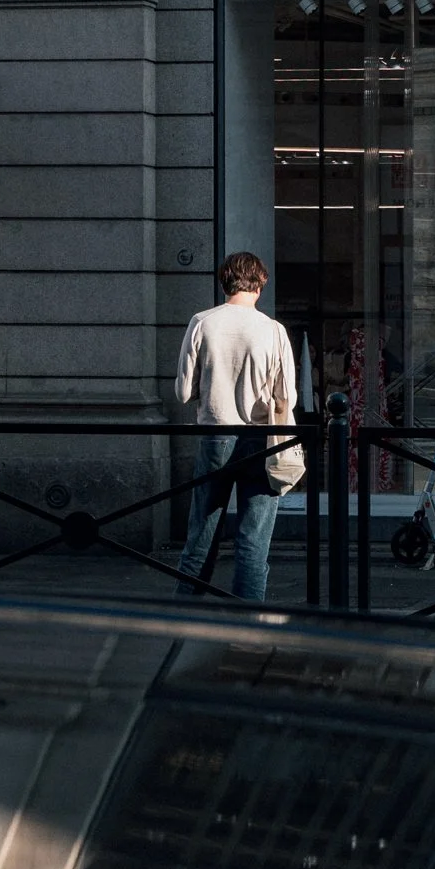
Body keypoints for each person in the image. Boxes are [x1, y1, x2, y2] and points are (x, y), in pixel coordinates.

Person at [173, 251, 297, 604]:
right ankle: (248, 628)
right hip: (262, 439)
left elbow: (182, 392)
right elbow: (286, 396)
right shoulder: (273, 331)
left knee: (201, 534)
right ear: (260, 284)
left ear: (224, 282)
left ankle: (181, 615)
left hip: (215, 434)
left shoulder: (203, 321)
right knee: (254, 541)